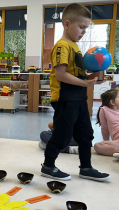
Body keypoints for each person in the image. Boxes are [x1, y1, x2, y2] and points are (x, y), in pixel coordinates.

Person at [41, 3, 109, 182]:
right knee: (62, 135)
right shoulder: (62, 46)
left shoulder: (75, 47)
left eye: (86, 28)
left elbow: (77, 74)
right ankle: (48, 166)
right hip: (65, 98)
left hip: (78, 98)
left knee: (86, 134)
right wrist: (85, 83)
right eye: (81, 27)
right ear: (66, 24)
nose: (83, 32)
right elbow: (61, 74)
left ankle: (86, 167)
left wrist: (94, 76)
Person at [94, 89, 119, 158]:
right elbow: (104, 128)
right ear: (112, 102)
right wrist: (106, 142)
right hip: (117, 141)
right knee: (97, 146)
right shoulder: (104, 110)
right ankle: (117, 152)